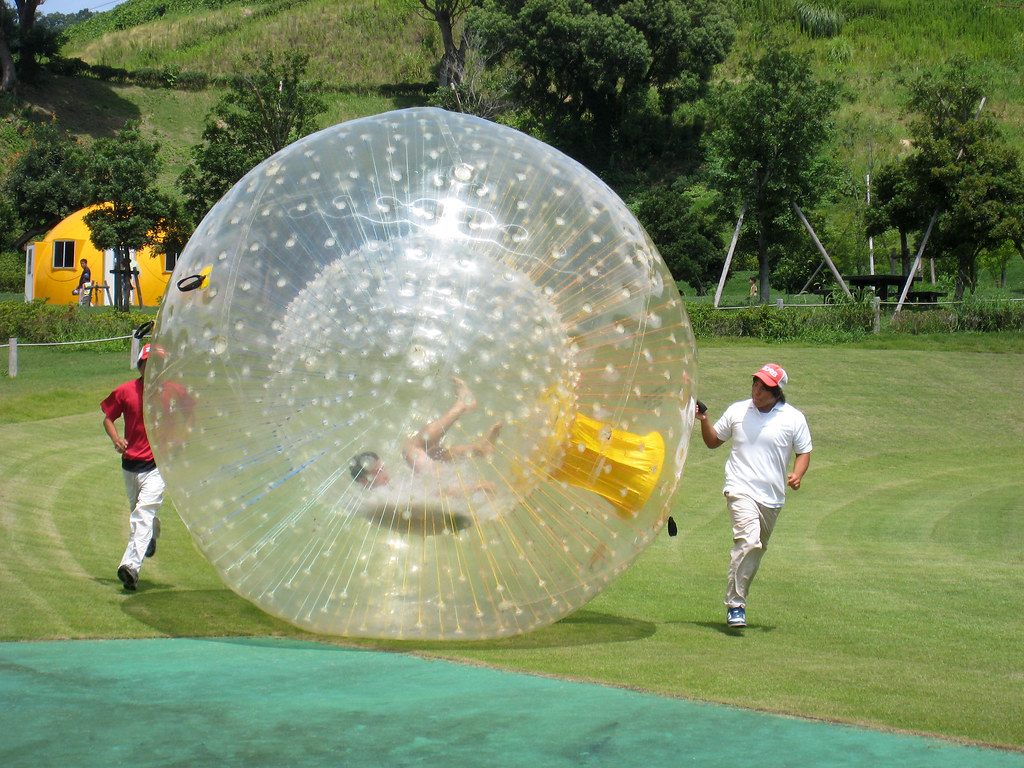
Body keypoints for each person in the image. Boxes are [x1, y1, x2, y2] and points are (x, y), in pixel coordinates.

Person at [696, 363, 812, 628]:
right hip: (739, 488)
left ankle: (739, 598)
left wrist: (798, 474)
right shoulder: (738, 410)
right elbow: (714, 441)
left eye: (764, 388)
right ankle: (735, 605)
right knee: (748, 541)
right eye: (755, 384)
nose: (756, 391)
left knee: (756, 551)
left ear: (777, 393)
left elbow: (803, 451)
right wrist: (704, 420)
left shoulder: (793, 418)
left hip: (772, 498)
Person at [350, 377, 501, 496]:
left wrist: (478, 488)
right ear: (364, 481)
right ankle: (462, 405)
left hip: (436, 481)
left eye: (382, 468)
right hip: (437, 482)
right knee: (409, 447)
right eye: (377, 472)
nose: (384, 473)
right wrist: (476, 488)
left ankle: (480, 449)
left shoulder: (384, 491)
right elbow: (438, 495)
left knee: (431, 452)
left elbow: (432, 495)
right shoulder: (380, 496)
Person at [101, 343, 165, 591]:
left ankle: (130, 568)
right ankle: (150, 535)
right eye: (147, 364)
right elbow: (108, 417)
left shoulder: (172, 392)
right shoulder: (125, 391)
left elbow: (189, 415)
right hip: (130, 464)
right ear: (140, 365)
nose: (151, 370)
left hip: (157, 466)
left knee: (141, 515)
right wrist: (116, 438)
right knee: (139, 512)